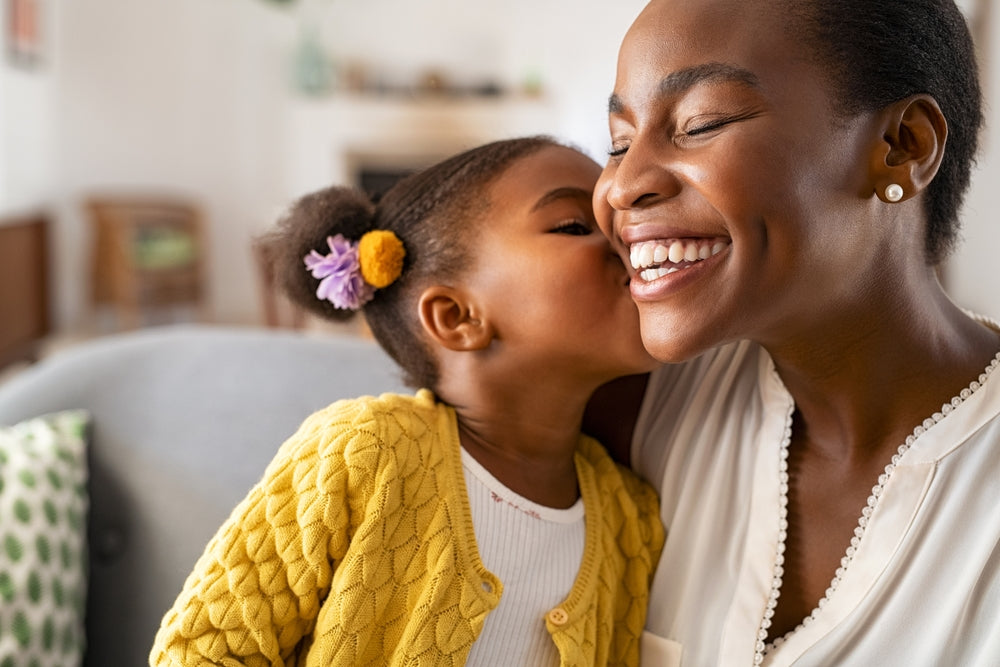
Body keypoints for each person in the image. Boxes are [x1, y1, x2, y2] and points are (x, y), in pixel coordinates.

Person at [585, 0, 1000, 665]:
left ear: (903, 147)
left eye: (701, 123)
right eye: (618, 140)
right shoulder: (638, 406)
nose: (621, 185)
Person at [148, 136, 664, 667]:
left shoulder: (631, 521)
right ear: (457, 318)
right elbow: (202, 652)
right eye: (575, 226)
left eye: (618, 221)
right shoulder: (361, 453)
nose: (629, 240)